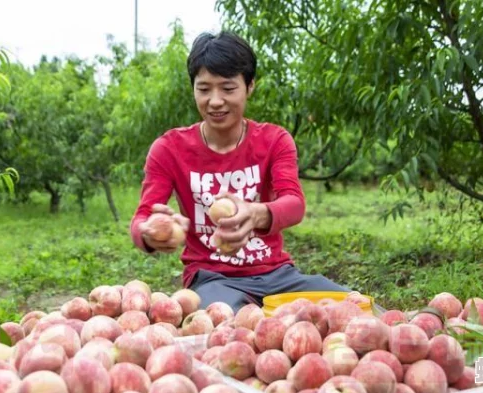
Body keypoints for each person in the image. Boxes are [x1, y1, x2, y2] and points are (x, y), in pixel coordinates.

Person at [130, 30, 355, 312]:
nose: (214, 100)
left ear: (249, 86)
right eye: (204, 89)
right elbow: (143, 215)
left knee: (357, 308)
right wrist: (149, 232)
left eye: (227, 88)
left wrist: (256, 213)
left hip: (278, 276)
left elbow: (294, 204)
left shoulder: (274, 140)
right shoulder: (169, 149)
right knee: (225, 327)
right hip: (212, 279)